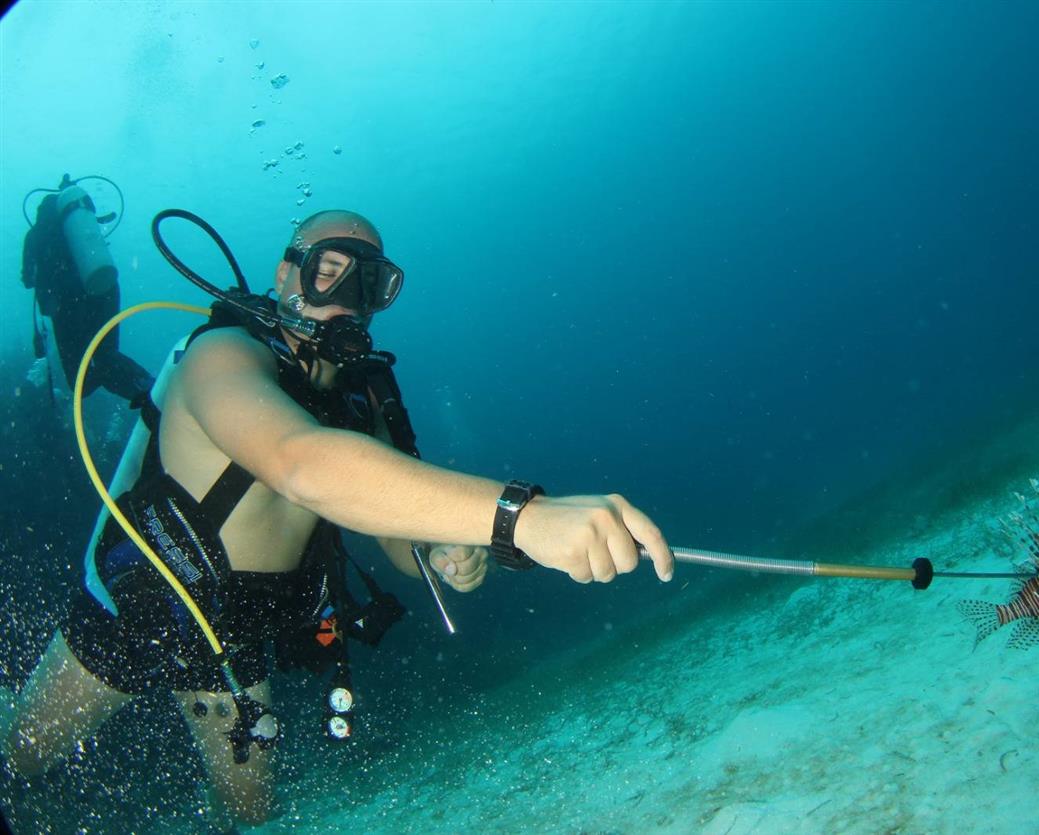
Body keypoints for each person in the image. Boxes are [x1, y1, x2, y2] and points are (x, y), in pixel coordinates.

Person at [2, 209, 674, 830]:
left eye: (369, 281)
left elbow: (396, 539)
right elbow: (302, 462)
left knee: (252, 814)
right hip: (140, 607)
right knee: (17, 757)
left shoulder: (360, 398)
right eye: (329, 269)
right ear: (285, 273)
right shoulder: (221, 354)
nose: (345, 294)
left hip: (233, 638)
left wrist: (450, 551)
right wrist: (516, 517)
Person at [21, 176, 154, 403]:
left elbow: (28, 279)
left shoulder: (36, 234)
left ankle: (151, 396)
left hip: (67, 302)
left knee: (80, 381)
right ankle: (153, 391)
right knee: (106, 355)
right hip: (104, 287)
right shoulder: (77, 227)